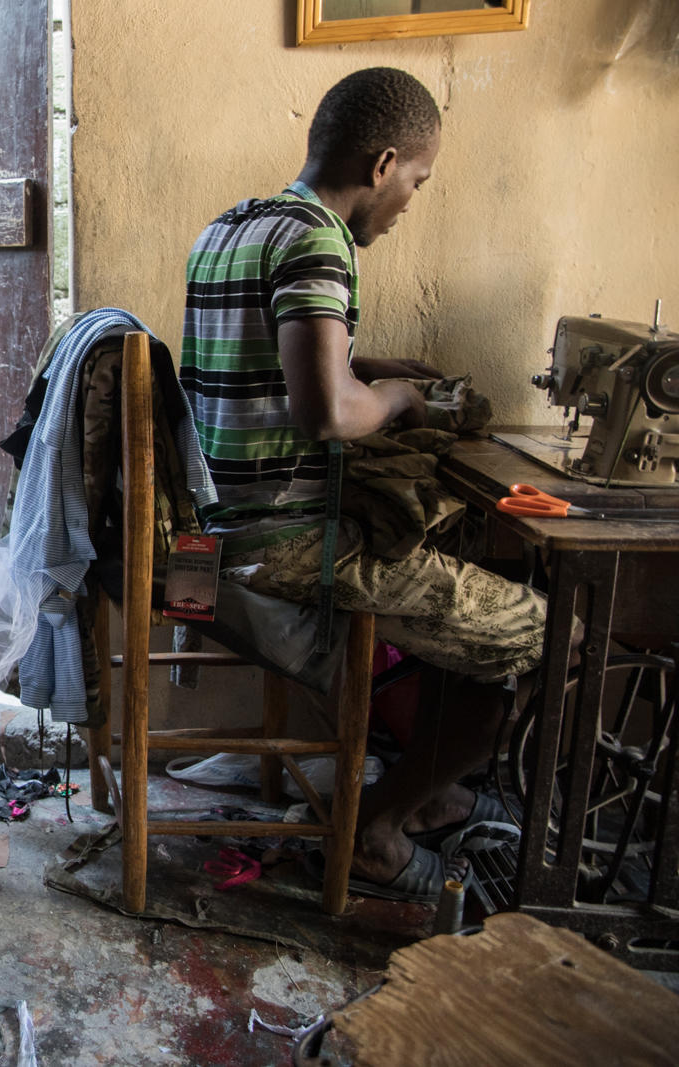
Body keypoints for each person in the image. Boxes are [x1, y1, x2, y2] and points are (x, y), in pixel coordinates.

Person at [178, 67, 549, 903]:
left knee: (454, 569)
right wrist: (398, 395)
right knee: (546, 637)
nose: (411, 201)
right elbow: (323, 414)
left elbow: (260, 370)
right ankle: (375, 830)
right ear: (384, 164)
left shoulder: (231, 227)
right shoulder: (318, 239)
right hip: (281, 544)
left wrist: (362, 364)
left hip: (208, 534)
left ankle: (424, 791)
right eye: (417, 181)